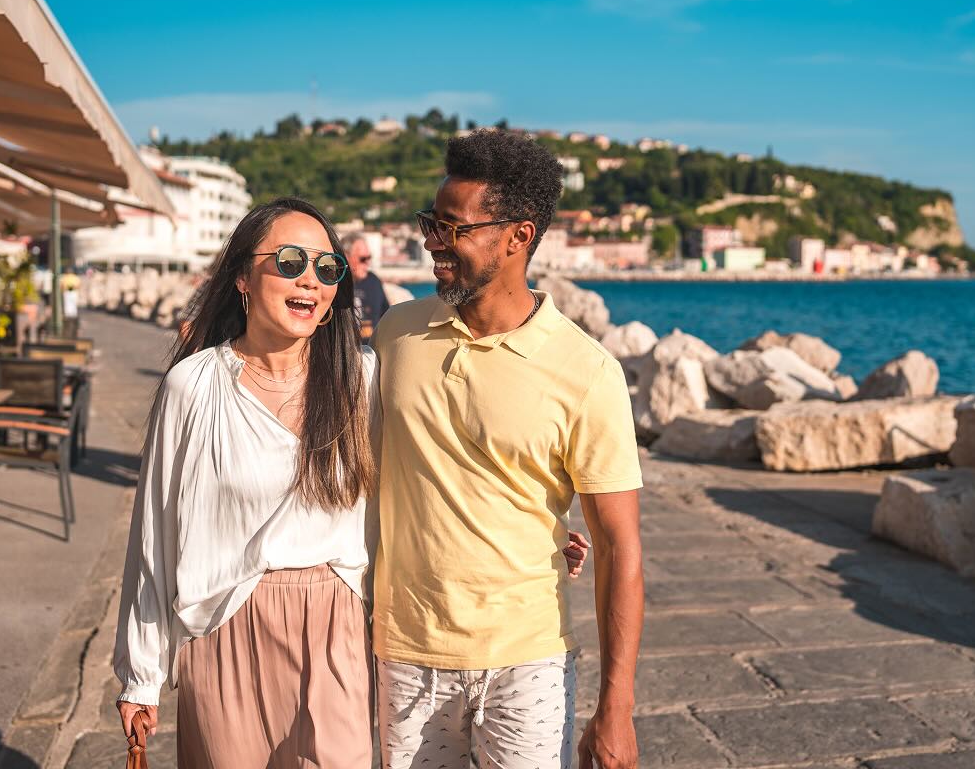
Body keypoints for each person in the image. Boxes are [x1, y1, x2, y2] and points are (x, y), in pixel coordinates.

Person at [371, 129, 644, 769]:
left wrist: (617, 710)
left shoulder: (587, 371)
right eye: (430, 224)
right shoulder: (396, 334)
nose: (433, 243)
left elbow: (619, 545)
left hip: (530, 659)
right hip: (404, 654)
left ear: (518, 236)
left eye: (453, 229)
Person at [112, 197, 377, 767]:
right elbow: (154, 535)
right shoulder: (196, 385)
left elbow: (428, 477)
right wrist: (141, 675)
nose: (310, 278)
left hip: (336, 626)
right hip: (224, 622)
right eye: (288, 261)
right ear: (241, 277)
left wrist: (544, 531)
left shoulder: (362, 379)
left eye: (327, 268)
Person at [342, 232, 389, 342]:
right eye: (363, 259)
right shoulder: (334, 285)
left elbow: (387, 316)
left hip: (372, 350)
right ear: (345, 256)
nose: (367, 263)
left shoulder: (373, 281)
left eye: (369, 258)